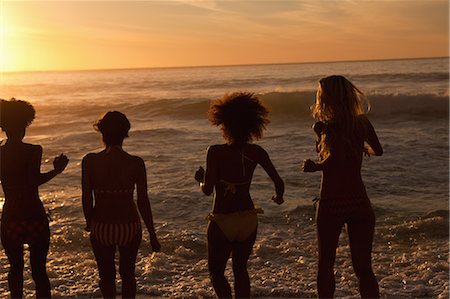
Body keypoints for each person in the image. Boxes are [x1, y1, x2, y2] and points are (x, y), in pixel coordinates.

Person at [195, 92, 284, 299]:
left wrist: (199, 179)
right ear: (252, 125)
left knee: (216, 274)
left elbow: (208, 190)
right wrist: (278, 198)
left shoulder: (215, 152)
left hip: (222, 220)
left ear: (224, 123)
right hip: (248, 219)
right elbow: (279, 182)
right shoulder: (257, 152)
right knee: (240, 271)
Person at [303, 75, 383, 298]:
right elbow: (378, 150)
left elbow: (334, 159)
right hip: (359, 201)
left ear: (326, 98)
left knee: (326, 264)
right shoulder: (362, 122)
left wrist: (315, 167)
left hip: (332, 202)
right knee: (364, 268)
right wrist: (360, 150)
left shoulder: (326, 126)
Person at [82, 111, 160, 299]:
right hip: (129, 226)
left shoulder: (90, 161)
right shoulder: (136, 163)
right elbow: (143, 201)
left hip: (101, 225)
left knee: (106, 276)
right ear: (125, 133)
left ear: (101, 132)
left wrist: (89, 222)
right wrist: (152, 233)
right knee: (128, 275)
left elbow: (86, 198)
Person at [0, 98, 69, 298]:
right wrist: (57, 171)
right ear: (25, 125)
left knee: (15, 269)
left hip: (11, 217)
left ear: (3, 127)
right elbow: (33, 181)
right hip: (34, 216)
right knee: (39, 270)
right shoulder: (33, 150)